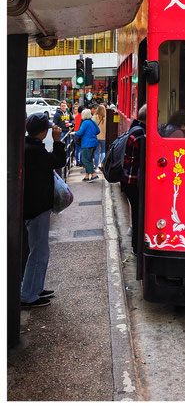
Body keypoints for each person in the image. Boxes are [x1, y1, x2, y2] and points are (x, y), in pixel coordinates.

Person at [21, 113, 66, 308]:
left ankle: (35, 288)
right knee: (39, 252)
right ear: (43, 131)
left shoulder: (26, 146)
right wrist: (58, 142)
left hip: (32, 205)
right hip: (37, 207)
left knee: (39, 251)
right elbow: (58, 161)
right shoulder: (35, 151)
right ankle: (28, 295)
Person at [121, 104, 146, 254]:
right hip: (134, 180)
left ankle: (135, 245)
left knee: (136, 212)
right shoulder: (141, 135)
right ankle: (137, 246)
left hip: (128, 179)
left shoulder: (133, 130)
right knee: (139, 213)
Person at [73, 108, 100, 181]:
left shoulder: (85, 122)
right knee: (89, 160)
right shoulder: (93, 122)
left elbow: (80, 132)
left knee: (85, 160)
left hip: (87, 144)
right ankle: (87, 176)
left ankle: (94, 175)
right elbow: (98, 131)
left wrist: (74, 133)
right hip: (94, 143)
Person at [93, 103, 107, 169]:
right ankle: (102, 165)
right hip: (104, 137)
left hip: (96, 137)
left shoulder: (94, 117)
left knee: (96, 152)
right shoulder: (106, 117)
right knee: (103, 152)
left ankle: (96, 167)